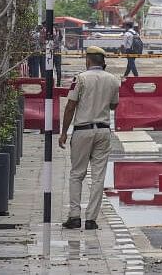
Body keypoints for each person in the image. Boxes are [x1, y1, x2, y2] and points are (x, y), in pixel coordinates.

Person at [58, 46, 120, 230]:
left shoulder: (80, 79)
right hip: (103, 131)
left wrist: (63, 132)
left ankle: (74, 216)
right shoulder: (113, 80)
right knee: (98, 177)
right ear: (103, 62)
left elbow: (70, 106)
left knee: (77, 174)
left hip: (82, 130)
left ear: (88, 61)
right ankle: (91, 219)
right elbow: (114, 106)